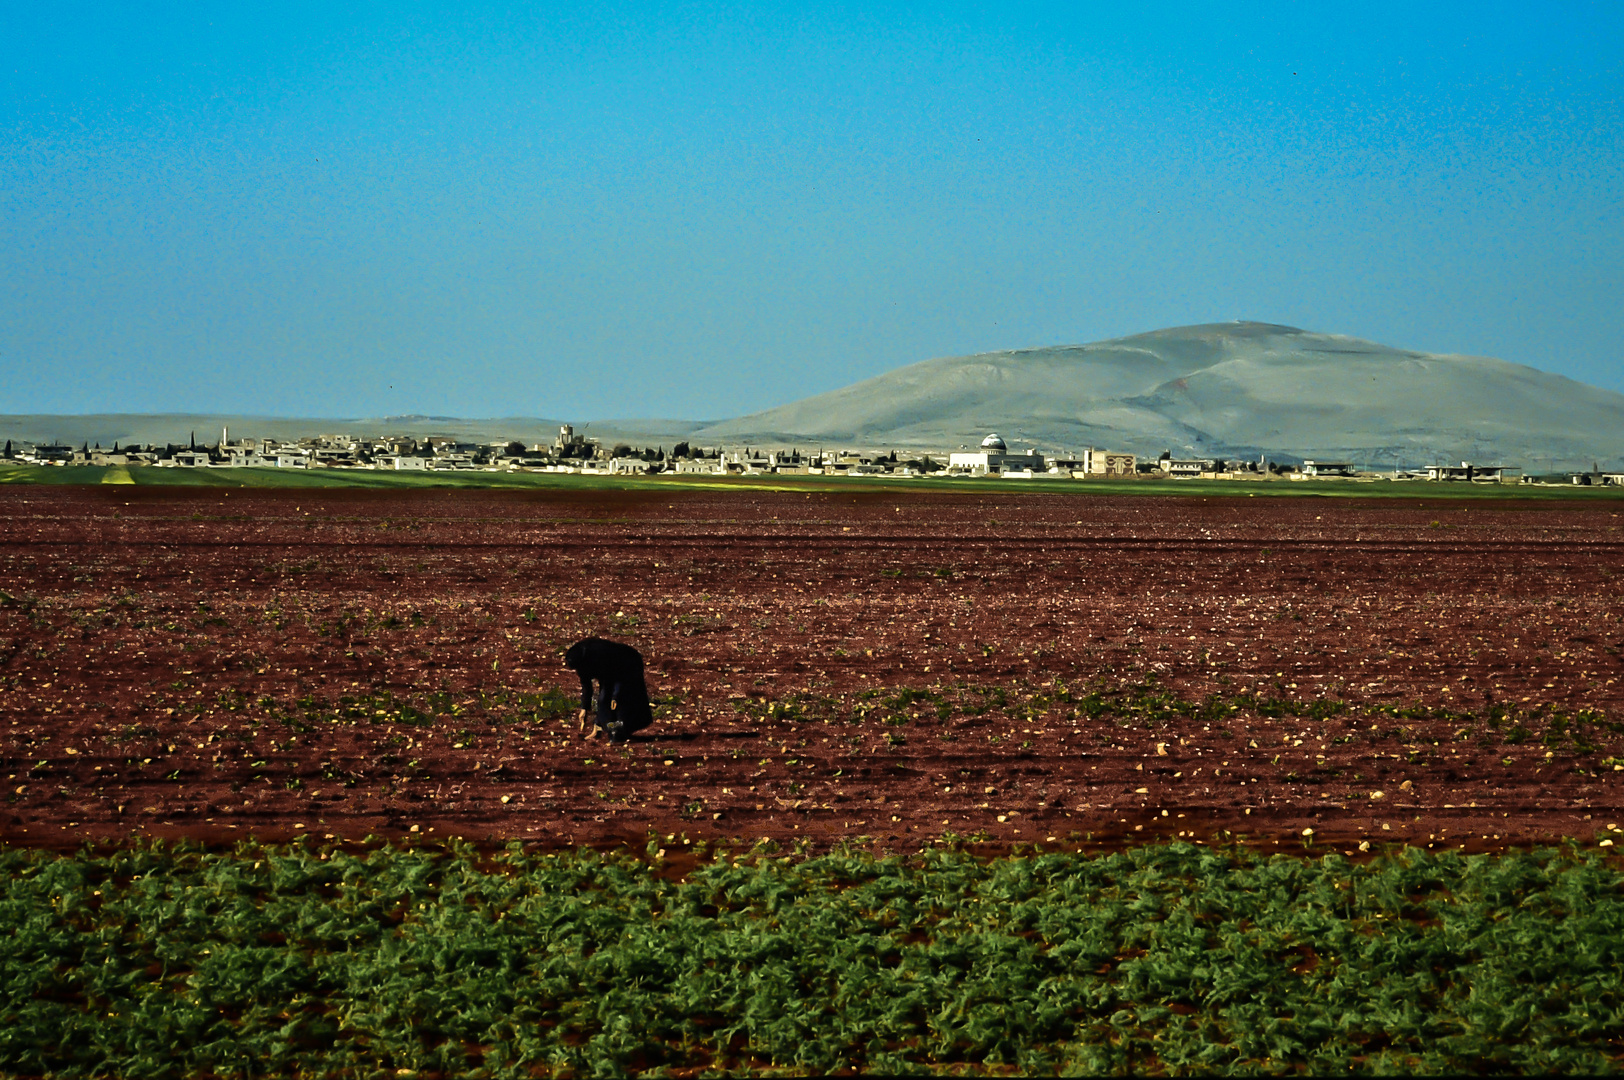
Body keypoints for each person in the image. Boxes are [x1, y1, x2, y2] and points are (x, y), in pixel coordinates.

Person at [564, 636, 654, 742]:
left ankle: (619, 731)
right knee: (605, 700)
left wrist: (616, 696)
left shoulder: (599, 654)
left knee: (621, 701)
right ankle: (603, 728)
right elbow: (586, 685)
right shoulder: (581, 662)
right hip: (612, 672)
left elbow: (617, 678)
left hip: (629, 664)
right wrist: (584, 708)